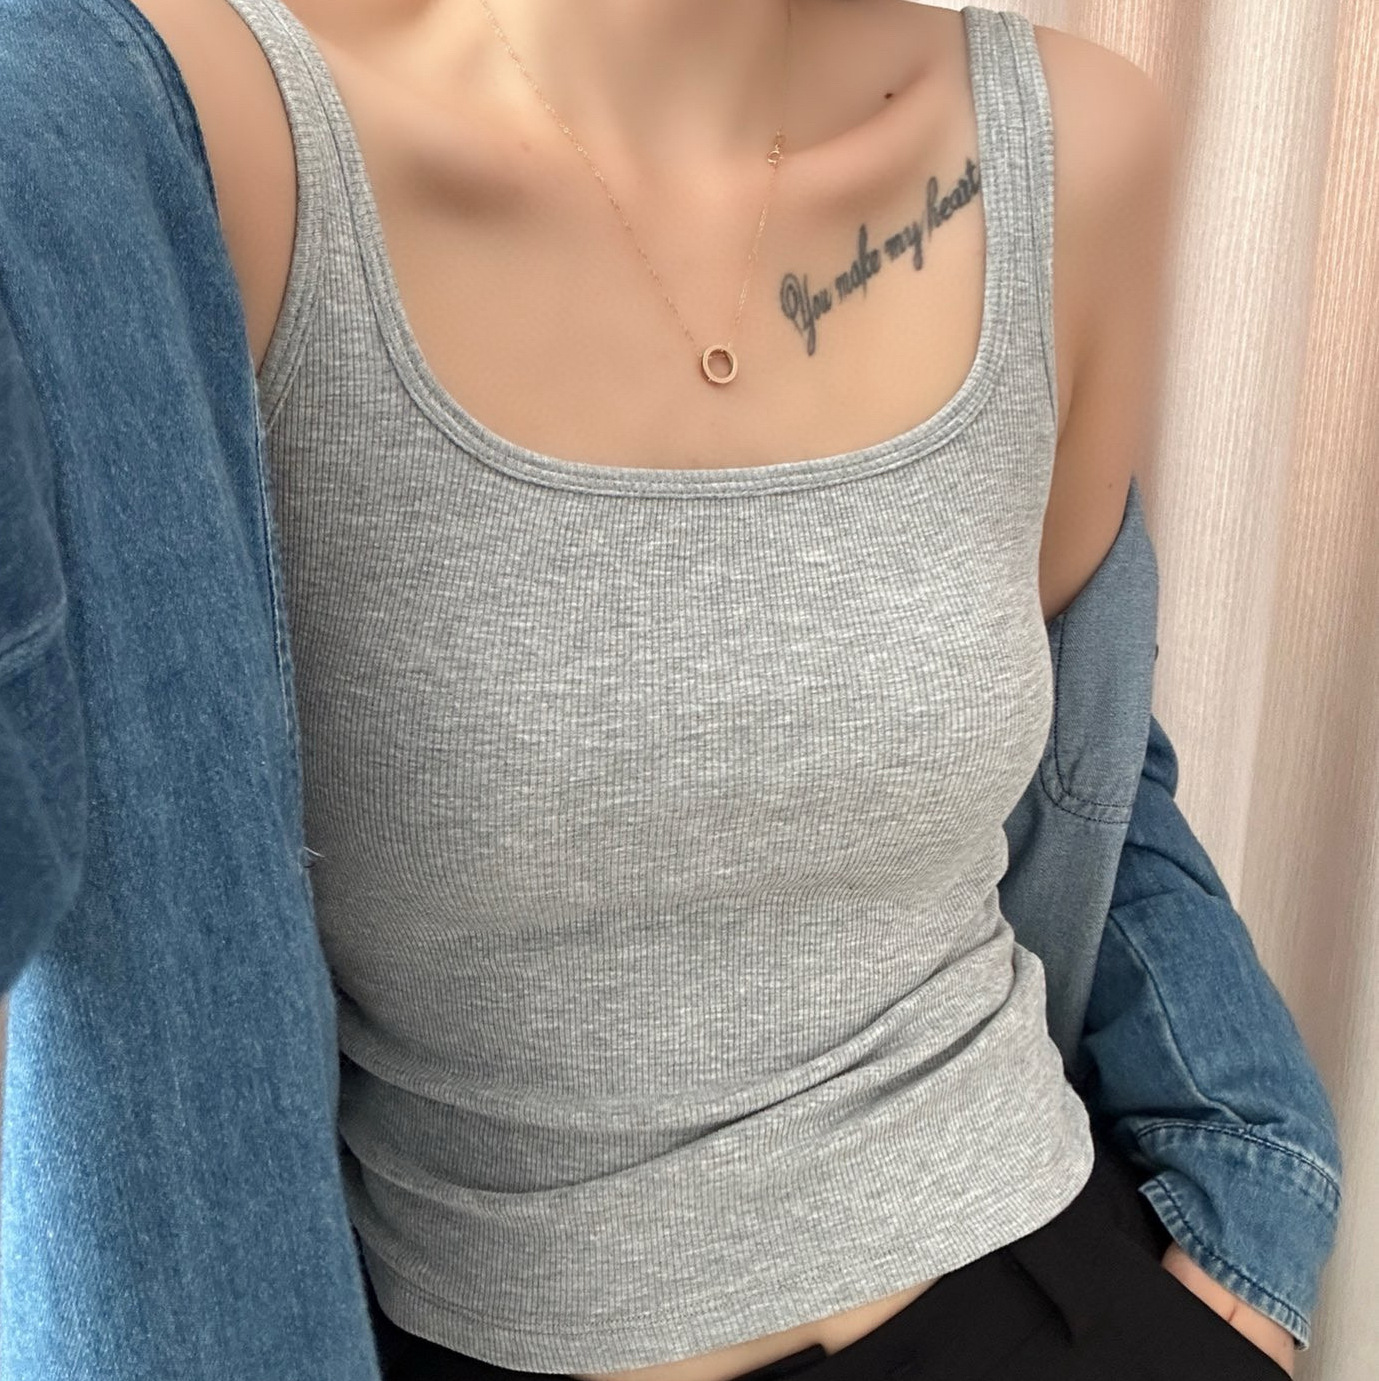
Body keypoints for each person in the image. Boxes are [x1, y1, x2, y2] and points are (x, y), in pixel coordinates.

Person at [0, 2, 1340, 1380]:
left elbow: (1088, 760)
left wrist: (1253, 1192)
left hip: (1033, 1280)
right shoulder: (191, 126)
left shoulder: (1072, 143)